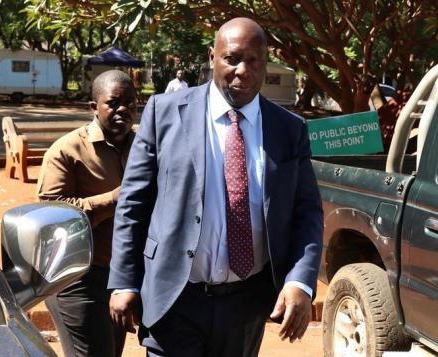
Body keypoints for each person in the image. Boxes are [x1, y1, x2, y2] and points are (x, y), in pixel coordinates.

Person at [108, 17, 323, 357]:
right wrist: (124, 280)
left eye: (254, 61)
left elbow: (306, 211)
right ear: (212, 57)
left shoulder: (288, 129)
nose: (243, 70)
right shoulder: (163, 113)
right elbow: (133, 202)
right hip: (175, 295)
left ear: (265, 64)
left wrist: (300, 281)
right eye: (232, 58)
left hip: (246, 303)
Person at [37, 69, 137, 357]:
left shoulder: (143, 147)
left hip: (121, 277)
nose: (123, 110)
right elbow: (52, 215)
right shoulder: (67, 151)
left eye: (130, 103)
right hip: (77, 279)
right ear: (94, 107)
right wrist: (116, 199)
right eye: (114, 103)